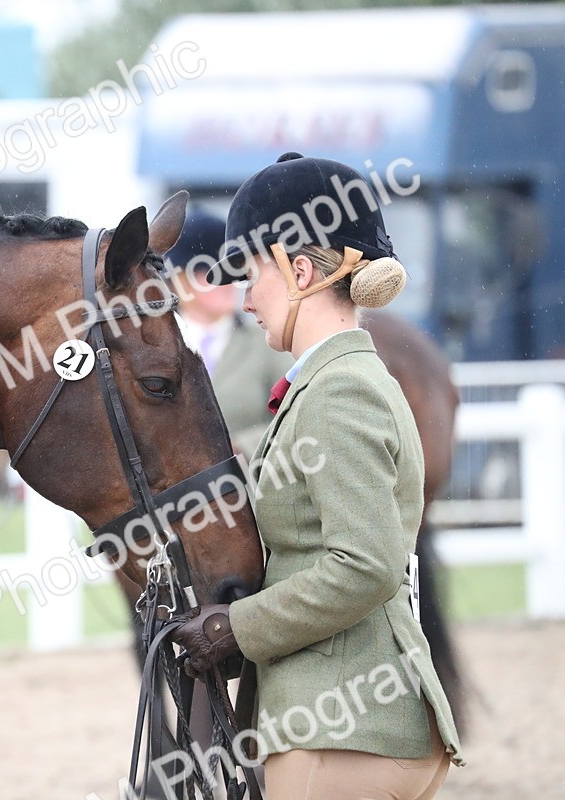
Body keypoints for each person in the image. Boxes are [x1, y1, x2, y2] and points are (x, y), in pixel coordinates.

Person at [172, 153, 464, 799]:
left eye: (252, 275)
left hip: (341, 734)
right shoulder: (329, 382)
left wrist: (234, 628)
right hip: (337, 726)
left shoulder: (338, 394)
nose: (245, 297)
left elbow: (364, 564)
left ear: (300, 272)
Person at [168, 211, 294, 457]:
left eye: (234, 273)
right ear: (179, 280)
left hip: (245, 485)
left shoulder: (267, 343)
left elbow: (297, 415)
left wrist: (239, 448)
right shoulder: (155, 345)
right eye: (209, 272)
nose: (226, 283)